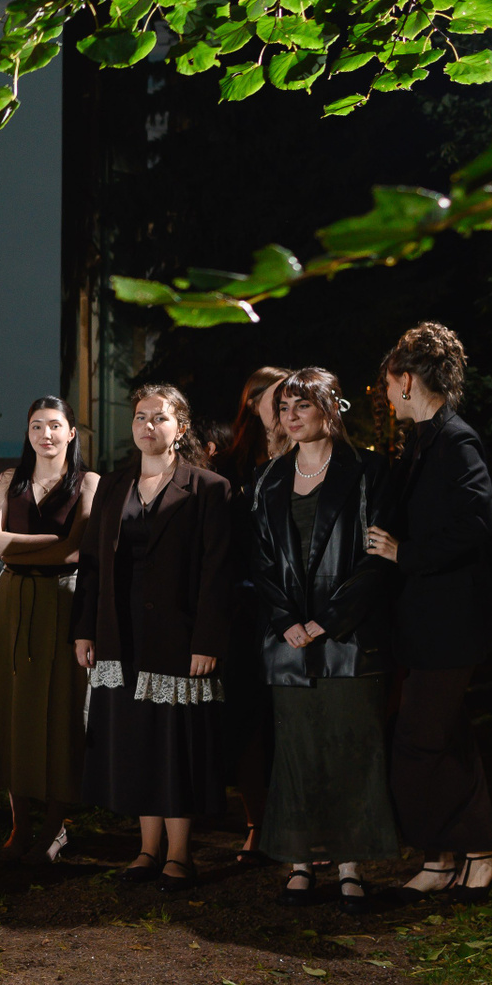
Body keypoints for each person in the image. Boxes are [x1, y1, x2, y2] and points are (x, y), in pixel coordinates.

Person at [72, 385, 233, 894]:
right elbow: (92, 564)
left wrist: (207, 639)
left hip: (179, 635)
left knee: (174, 743)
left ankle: (180, 854)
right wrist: (85, 629)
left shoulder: (209, 488)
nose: (147, 426)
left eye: (159, 418)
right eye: (140, 417)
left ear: (180, 428)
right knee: (137, 740)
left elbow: (218, 572)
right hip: (121, 634)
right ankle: (146, 849)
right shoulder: (114, 486)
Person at [252, 368, 397, 914]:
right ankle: (300, 863)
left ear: (330, 408)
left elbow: (377, 558)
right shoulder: (268, 478)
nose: (290, 417)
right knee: (297, 753)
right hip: (288, 642)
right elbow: (259, 560)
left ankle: (350, 866)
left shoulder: (368, 471)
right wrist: (285, 619)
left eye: (302, 406)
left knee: (352, 751)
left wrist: (329, 621)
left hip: (349, 640)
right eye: (284, 407)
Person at [368, 322, 492, 900]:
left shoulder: (455, 440)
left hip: (452, 624)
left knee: (419, 742)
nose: (385, 396)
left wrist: (405, 553)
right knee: (445, 738)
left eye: (387, 385)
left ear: (406, 380)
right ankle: (445, 858)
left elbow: (477, 521)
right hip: (426, 623)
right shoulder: (422, 441)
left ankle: (475, 850)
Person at [0, 396, 101, 862]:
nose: (45, 434)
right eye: (36, 426)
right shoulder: (9, 480)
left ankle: (55, 827)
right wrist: (48, 542)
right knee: (12, 707)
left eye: (54, 425)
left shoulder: (89, 482)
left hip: (63, 599)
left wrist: (22, 546)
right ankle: (20, 826)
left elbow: (75, 551)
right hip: (11, 598)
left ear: (71, 432)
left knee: (61, 707)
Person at [215, 365, 293, 864]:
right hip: (245, 606)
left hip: (293, 604)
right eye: (274, 396)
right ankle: (257, 823)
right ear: (252, 403)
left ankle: (299, 820)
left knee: (291, 716)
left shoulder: (306, 453)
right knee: (247, 717)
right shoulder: (231, 463)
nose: (283, 406)